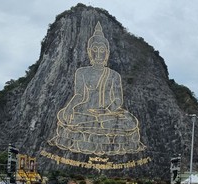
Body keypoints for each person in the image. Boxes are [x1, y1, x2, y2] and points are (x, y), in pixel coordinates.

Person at [49, 22, 145, 156]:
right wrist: (70, 107)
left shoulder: (113, 75)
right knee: (65, 115)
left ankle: (90, 135)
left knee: (130, 122)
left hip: (108, 115)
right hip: (86, 113)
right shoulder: (82, 72)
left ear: (107, 53)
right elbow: (80, 95)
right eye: (95, 50)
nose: (98, 54)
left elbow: (117, 99)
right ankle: (96, 135)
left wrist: (106, 110)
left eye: (102, 51)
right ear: (89, 52)